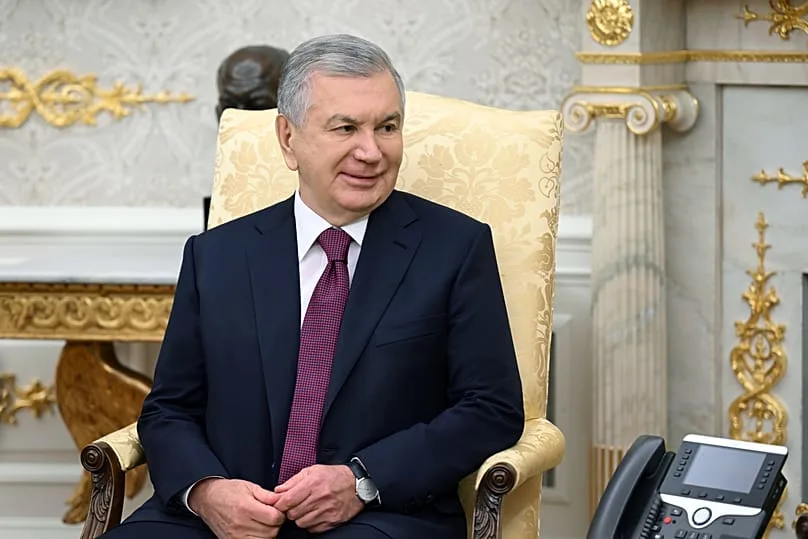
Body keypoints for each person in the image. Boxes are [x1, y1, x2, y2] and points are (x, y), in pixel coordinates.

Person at [101, 33, 524, 539]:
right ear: (288, 138)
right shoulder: (216, 256)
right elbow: (170, 408)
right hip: (220, 519)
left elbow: (491, 409)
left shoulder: (455, 248)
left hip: (380, 516)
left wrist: (363, 480)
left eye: (387, 127)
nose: (371, 151)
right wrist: (207, 491)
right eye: (345, 128)